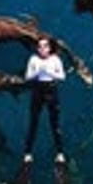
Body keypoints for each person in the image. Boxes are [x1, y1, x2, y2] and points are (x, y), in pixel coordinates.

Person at [22, 36, 66, 164]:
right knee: (33, 122)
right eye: (40, 46)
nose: (42, 49)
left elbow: (62, 76)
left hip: (51, 89)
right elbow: (27, 76)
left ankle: (60, 153)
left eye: (45, 46)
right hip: (38, 90)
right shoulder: (33, 59)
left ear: (49, 48)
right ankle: (27, 153)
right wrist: (37, 72)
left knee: (55, 123)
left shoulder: (55, 59)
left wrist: (50, 72)